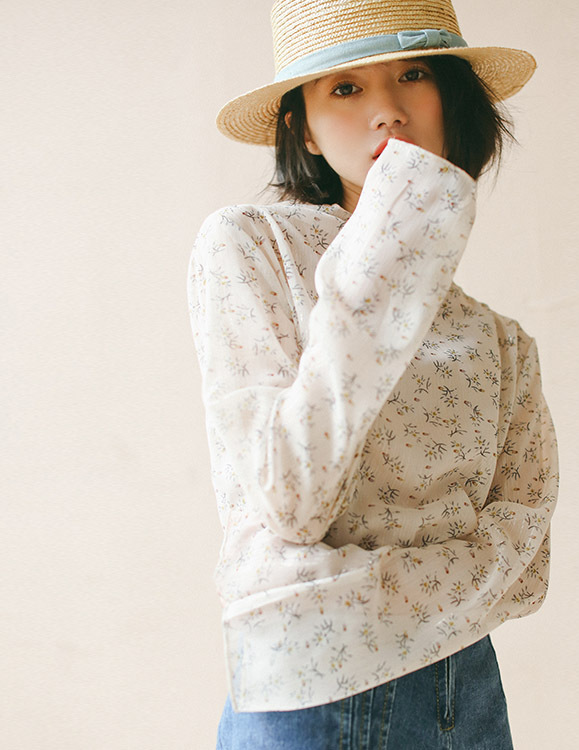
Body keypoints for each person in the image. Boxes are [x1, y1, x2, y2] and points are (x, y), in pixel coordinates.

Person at [187, 1, 559, 747]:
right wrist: (391, 239)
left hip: (464, 686)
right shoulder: (253, 245)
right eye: (347, 88)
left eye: (414, 75)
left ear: (451, 98)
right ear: (302, 128)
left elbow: (526, 565)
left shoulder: (500, 341)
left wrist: (354, 586)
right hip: (313, 685)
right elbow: (292, 500)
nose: (388, 110)